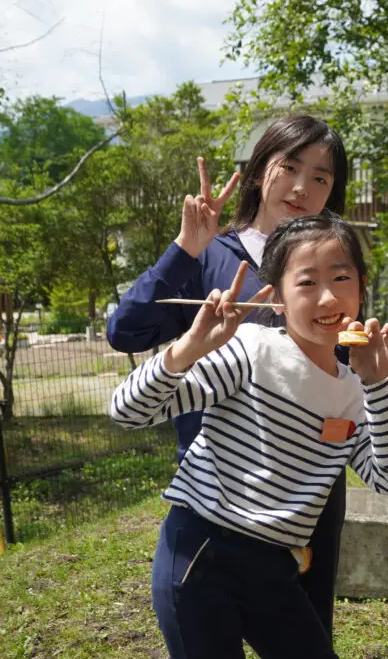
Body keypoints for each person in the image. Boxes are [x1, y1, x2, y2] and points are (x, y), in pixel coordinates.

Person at [110, 213, 388, 658]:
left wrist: (379, 383)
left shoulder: (356, 390)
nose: (328, 297)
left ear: (361, 286)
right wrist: (189, 349)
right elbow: (127, 412)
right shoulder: (252, 349)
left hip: (276, 567)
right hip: (200, 554)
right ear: (277, 300)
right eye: (307, 283)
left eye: (341, 277)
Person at [105, 114, 351, 636]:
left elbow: (340, 375)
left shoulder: (335, 268)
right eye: (290, 166)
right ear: (261, 170)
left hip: (308, 493)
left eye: (322, 176)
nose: (303, 187)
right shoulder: (214, 255)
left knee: (307, 630)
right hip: (220, 496)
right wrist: (185, 248)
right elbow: (126, 332)